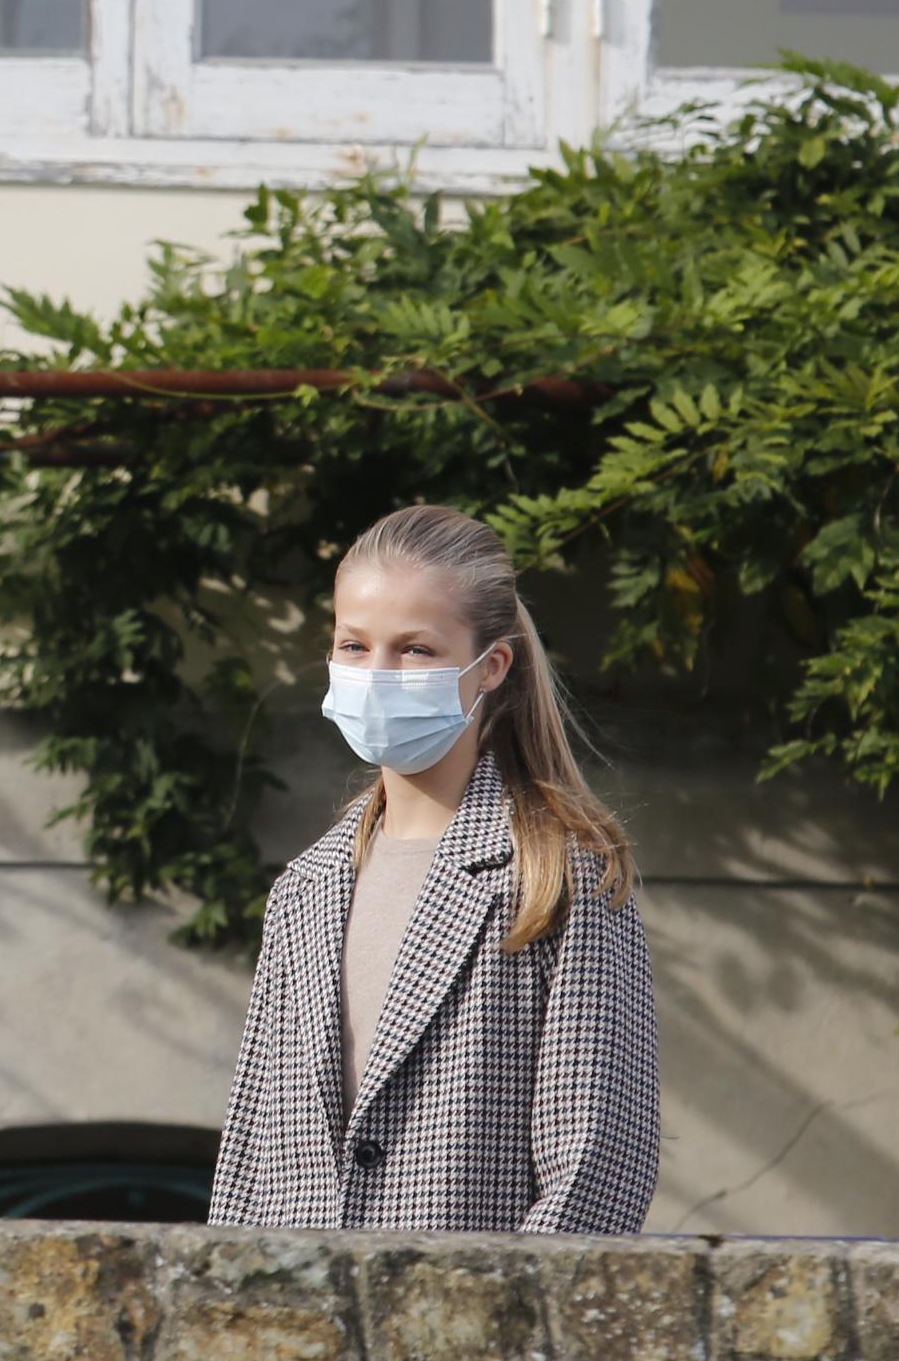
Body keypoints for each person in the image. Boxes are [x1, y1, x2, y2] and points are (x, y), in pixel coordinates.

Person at [209, 505, 661, 1233]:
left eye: (414, 650)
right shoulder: (305, 888)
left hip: (475, 1327)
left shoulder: (557, 875)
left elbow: (598, 1168)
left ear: (491, 667)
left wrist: (499, 1328)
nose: (376, 674)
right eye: (353, 645)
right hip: (298, 1327)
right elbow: (250, 1157)